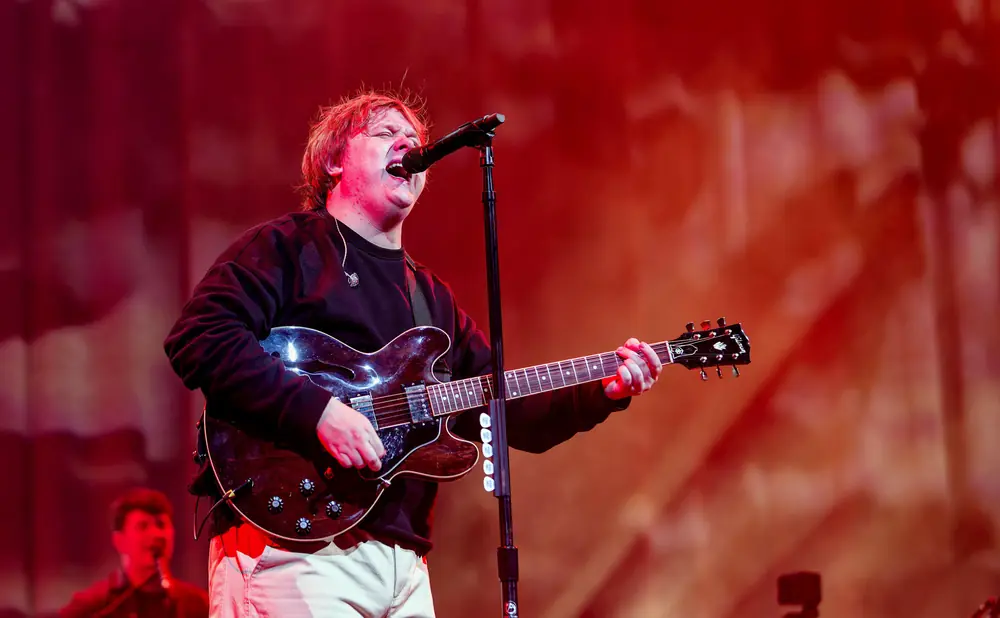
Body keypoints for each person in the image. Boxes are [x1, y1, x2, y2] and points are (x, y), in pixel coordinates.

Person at [163, 90, 662, 617]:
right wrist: (319, 413)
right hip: (295, 550)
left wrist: (606, 391)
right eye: (384, 134)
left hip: (404, 570)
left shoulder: (430, 298)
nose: (406, 143)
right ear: (334, 160)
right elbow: (200, 337)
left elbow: (508, 409)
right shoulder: (288, 248)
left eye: (414, 140)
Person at [60, 487, 209, 617]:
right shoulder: (94, 606)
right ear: (119, 540)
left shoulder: (198, 604)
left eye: (161, 524)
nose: (156, 534)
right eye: (142, 526)